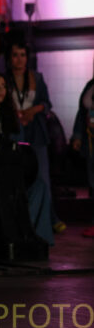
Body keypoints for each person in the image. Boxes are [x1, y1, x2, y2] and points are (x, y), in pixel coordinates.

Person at [0, 72, 55, 245]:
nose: (1, 90)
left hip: (10, 169)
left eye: (3, 86)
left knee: (39, 186)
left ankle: (33, 236)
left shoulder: (10, 117)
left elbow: (19, 146)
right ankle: (14, 232)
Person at [5, 39, 66, 235]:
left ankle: (50, 218)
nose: (19, 59)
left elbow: (47, 104)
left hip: (36, 132)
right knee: (18, 178)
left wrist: (33, 110)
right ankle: (23, 220)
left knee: (42, 178)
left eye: (23, 55)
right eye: (15, 55)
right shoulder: (4, 80)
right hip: (15, 131)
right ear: (9, 58)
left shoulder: (36, 78)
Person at [70, 78, 94, 237]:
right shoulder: (91, 85)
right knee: (92, 182)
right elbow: (81, 113)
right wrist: (77, 136)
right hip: (90, 140)